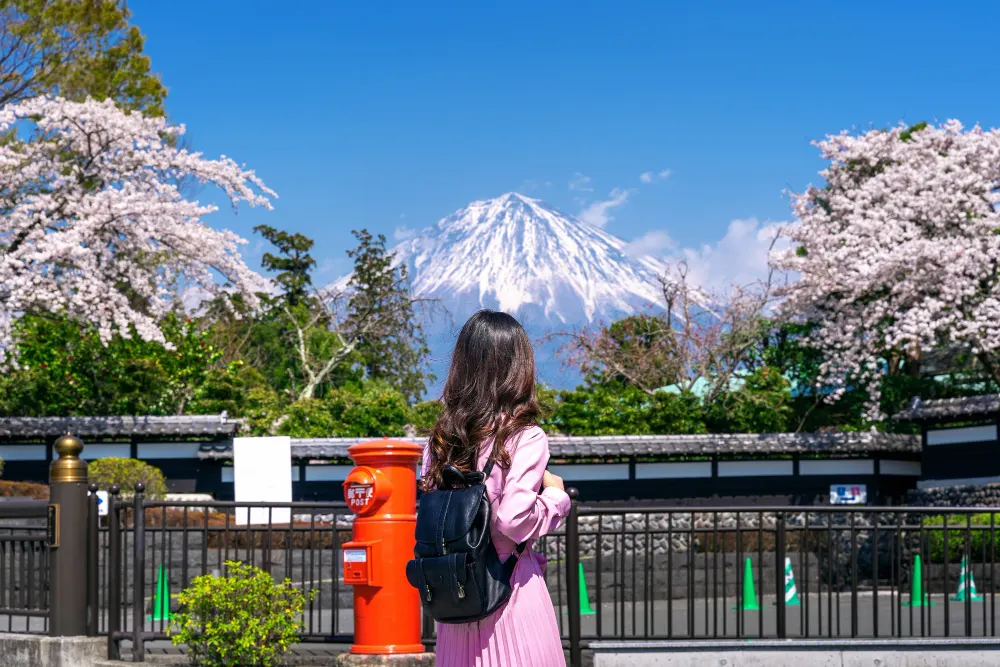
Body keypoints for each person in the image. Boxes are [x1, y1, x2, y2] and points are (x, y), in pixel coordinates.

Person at [421, 310, 570, 667]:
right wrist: (555, 498)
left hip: (457, 603)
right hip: (509, 593)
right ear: (519, 366)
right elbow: (512, 520)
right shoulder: (524, 436)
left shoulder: (438, 443)